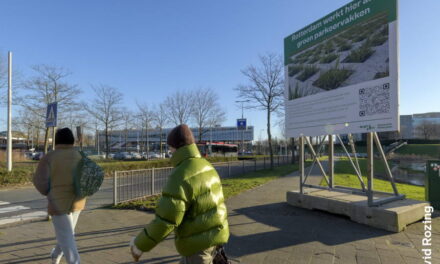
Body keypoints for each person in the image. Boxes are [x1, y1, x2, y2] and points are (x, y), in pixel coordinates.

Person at [130, 124, 229, 263]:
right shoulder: (206, 165)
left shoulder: (181, 174)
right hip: (214, 239)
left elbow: (167, 219)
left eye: (169, 147)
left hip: (196, 247)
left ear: (174, 147)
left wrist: (139, 244)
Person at [33, 127, 85, 264]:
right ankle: (55, 255)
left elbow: (40, 182)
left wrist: (49, 191)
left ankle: (62, 257)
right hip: (78, 201)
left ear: (57, 141)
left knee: (66, 236)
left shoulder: (49, 157)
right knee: (67, 235)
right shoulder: (80, 156)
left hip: (58, 203)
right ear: (72, 141)